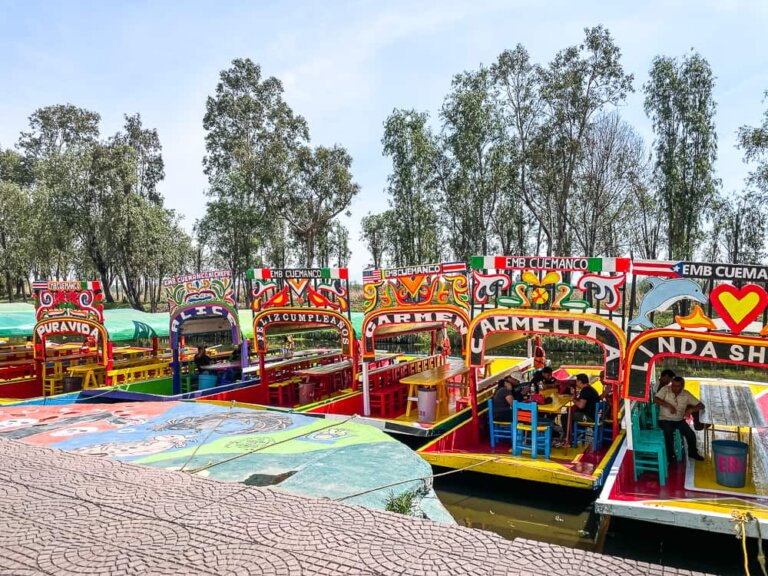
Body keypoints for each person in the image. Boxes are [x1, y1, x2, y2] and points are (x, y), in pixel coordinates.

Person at [654, 376, 705, 462]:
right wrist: (668, 405)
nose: (674, 387)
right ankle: (671, 456)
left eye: (677, 386)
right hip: (664, 419)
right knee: (668, 432)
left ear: (682, 386)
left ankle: (692, 452)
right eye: (673, 385)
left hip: (679, 420)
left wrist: (691, 409)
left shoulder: (686, 394)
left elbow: (701, 405)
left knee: (691, 434)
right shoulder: (665, 390)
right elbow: (655, 399)